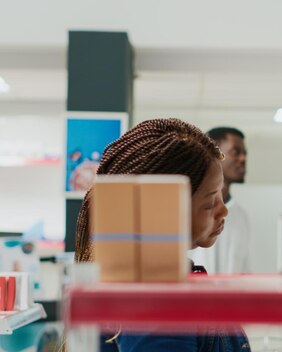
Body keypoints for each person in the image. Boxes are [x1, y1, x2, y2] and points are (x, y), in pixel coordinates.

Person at [72, 118, 250, 352]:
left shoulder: (157, 281)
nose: (223, 209)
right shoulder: (154, 302)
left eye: (220, 195)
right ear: (165, 205)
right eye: (209, 203)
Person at [189, 127, 251, 274]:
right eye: (235, 152)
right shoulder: (189, 210)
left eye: (244, 153)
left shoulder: (241, 216)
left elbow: (243, 268)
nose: (243, 159)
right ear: (214, 153)